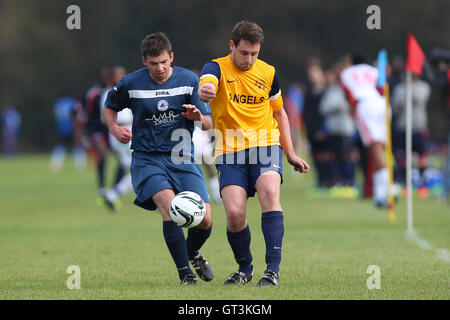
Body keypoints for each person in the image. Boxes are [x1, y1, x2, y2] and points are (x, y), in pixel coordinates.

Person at [198, 20, 310, 286]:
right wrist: (207, 90)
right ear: (232, 46)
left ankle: (272, 271)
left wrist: (290, 152)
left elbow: (279, 112)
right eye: (244, 53)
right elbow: (207, 83)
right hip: (229, 149)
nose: (249, 59)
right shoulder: (215, 68)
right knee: (235, 214)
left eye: (254, 54)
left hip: (265, 142)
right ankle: (245, 269)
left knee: (270, 193)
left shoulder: (268, 73)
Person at [103, 32, 214, 285]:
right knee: (170, 208)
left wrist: (199, 118)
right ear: (144, 61)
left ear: (171, 57)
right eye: (154, 63)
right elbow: (109, 107)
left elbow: (208, 123)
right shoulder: (130, 83)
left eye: (164, 62)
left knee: (205, 220)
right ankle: (185, 274)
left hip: (182, 157)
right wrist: (113, 128)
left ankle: (193, 253)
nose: (160, 68)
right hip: (147, 159)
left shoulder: (188, 80)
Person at [340, 54, 389, 207]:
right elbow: (382, 87)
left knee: (374, 148)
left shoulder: (346, 73)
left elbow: (348, 95)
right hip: (382, 103)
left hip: (365, 105)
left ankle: (386, 191)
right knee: (380, 147)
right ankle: (382, 192)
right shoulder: (374, 70)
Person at [319, 65, 358, 197]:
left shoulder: (347, 90)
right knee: (334, 157)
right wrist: (337, 106)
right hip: (333, 129)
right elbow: (323, 108)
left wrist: (336, 106)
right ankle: (338, 183)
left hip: (345, 129)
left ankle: (349, 183)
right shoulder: (331, 90)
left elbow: (349, 105)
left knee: (346, 156)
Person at [99, 66, 134, 210]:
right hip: (120, 136)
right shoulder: (108, 93)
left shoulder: (128, 92)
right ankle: (113, 194)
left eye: (123, 74)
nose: (121, 77)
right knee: (139, 167)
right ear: (112, 77)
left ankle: (113, 193)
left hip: (129, 135)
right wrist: (129, 122)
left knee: (129, 165)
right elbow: (106, 117)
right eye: (118, 75)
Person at [391, 73, 431, 196]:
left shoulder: (423, 86)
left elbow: (420, 99)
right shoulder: (399, 88)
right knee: (402, 158)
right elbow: (394, 105)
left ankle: (422, 185)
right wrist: (400, 104)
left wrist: (410, 90)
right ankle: (405, 184)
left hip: (419, 127)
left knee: (422, 157)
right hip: (403, 127)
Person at [49, 97, 86, 171]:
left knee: (61, 145)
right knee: (77, 145)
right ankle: (80, 166)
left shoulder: (59, 104)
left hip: (62, 128)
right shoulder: (73, 103)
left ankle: (55, 165)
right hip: (73, 128)